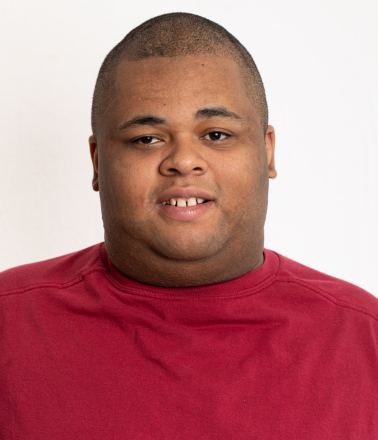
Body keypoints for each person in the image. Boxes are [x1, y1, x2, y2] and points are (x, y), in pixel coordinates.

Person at [0, 12, 377, 439]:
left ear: (267, 152)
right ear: (97, 162)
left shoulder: (365, 338)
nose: (182, 160)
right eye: (147, 138)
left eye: (216, 134)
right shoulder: (8, 326)